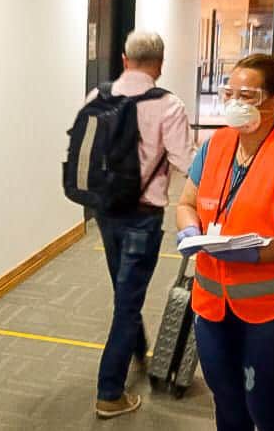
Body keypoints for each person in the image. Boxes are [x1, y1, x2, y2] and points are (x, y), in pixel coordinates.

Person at [175, 54, 274, 431]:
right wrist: (190, 231)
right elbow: (186, 203)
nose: (234, 103)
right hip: (212, 303)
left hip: (272, 308)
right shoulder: (217, 145)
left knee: (268, 410)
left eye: (248, 95)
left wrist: (261, 252)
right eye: (229, 92)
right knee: (228, 405)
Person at [87, 30, 195, 419]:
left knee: (123, 291)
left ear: (123, 58)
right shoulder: (168, 105)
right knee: (128, 302)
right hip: (142, 217)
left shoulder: (97, 97)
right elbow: (185, 161)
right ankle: (109, 392)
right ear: (160, 64)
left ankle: (137, 352)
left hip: (104, 210)